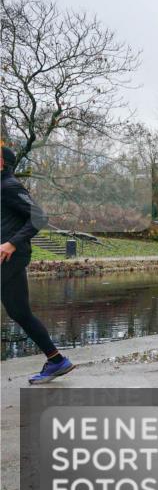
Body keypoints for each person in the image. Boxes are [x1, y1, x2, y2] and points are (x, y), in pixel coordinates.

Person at [1, 147, 75, 384]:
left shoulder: (10, 186)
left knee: (19, 312)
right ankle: (56, 360)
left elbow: (39, 217)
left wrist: (12, 243)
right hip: (8, 258)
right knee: (19, 312)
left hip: (11, 256)